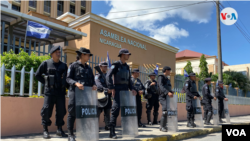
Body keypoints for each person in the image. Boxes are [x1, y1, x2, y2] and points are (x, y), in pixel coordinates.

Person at [35, 45, 68, 139]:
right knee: (46, 110)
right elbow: (37, 75)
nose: (59, 54)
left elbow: (67, 78)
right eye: (57, 52)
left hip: (61, 92)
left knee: (61, 111)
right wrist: (46, 83)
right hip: (49, 92)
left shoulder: (64, 65)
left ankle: (59, 130)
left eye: (59, 52)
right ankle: (45, 130)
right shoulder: (46, 63)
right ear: (52, 54)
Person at [66, 47, 97, 141]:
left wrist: (94, 85)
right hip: (75, 92)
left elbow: (92, 80)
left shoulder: (88, 67)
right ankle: (70, 134)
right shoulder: (73, 65)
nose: (89, 57)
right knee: (72, 113)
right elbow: (68, 79)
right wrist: (76, 83)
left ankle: (83, 131)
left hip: (85, 94)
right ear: (82, 55)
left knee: (84, 112)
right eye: (88, 55)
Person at [106, 48, 137, 139]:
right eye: (128, 54)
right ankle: (112, 132)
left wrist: (132, 89)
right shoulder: (115, 65)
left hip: (125, 90)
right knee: (115, 110)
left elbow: (128, 81)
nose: (129, 56)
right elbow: (108, 76)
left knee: (126, 110)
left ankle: (127, 130)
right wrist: (112, 88)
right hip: (117, 89)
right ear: (123, 55)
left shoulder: (127, 67)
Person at [95, 61, 112, 131]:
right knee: (98, 112)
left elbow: (111, 84)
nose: (105, 67)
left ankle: (107, 126)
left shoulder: (108, 76)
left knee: (107, 111)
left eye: (106, 66)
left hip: (108, 96)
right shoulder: (97, 76)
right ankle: (95, 127)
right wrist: (106, 89)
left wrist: (111, 89)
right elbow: (98, 85)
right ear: (100, 67)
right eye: (104, 66)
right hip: (100, 96)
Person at [157, 66, 174, 132]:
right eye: (169, 71)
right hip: (162, 96)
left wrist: (171, 91)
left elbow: (167, 87)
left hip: (167, 96)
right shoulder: (161, 77)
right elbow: (161, 86)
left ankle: (164, 125)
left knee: (167, 111)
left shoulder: (167, 78)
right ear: (166, 70)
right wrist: (167, 92)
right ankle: (162, 126)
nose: (170, 72)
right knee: (165, 110)